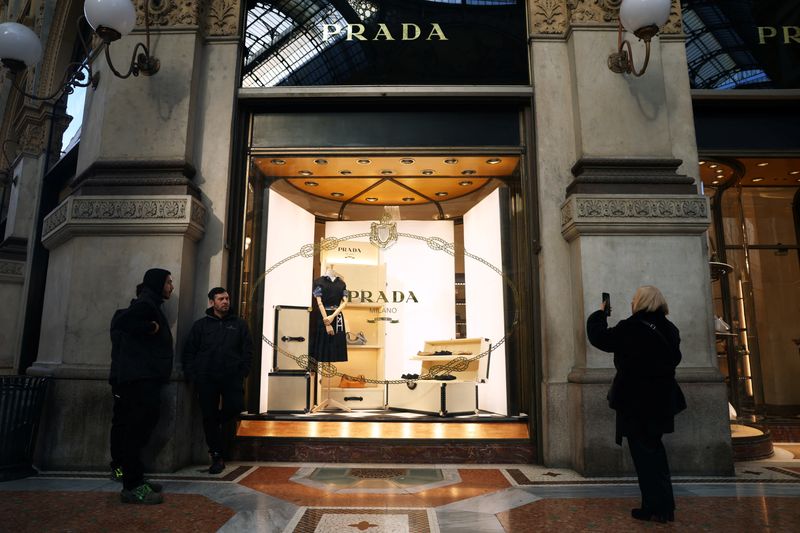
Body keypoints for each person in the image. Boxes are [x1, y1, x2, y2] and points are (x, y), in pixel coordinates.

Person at [586, 285, 686, 524]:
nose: (631, 303)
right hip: (661, 400)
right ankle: (660, 505)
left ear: (641, 302)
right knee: (655, 451)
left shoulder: (632, 327)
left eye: (633, 299)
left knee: (644, 455)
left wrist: (599, 314)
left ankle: (656, 507)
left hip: (636, 401)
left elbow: (601, 338)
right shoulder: (669, 328)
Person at [110, 268, 175, 504]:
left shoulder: (152, 304)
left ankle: (135, 478)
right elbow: (122, 321)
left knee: (139, 431)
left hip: (146, 379)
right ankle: (132, 486)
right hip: (139, 381)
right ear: (158, 283)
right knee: (134, 432)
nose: (171, 287)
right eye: (168, 282)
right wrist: (150, 328)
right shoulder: (146, 304)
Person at [182, 287, 253, 474]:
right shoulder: (201, 326)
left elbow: (248, 351)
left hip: (231, 377)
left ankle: (216, 422)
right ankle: (216, 456)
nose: (226, 302)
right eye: (221, 299)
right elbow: (189, 351)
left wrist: (243, 371)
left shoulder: (239, 324)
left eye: (227, 298)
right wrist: (193, 374)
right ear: (212, 302)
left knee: (235, 407)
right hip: (206, 378)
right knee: (208, 416)